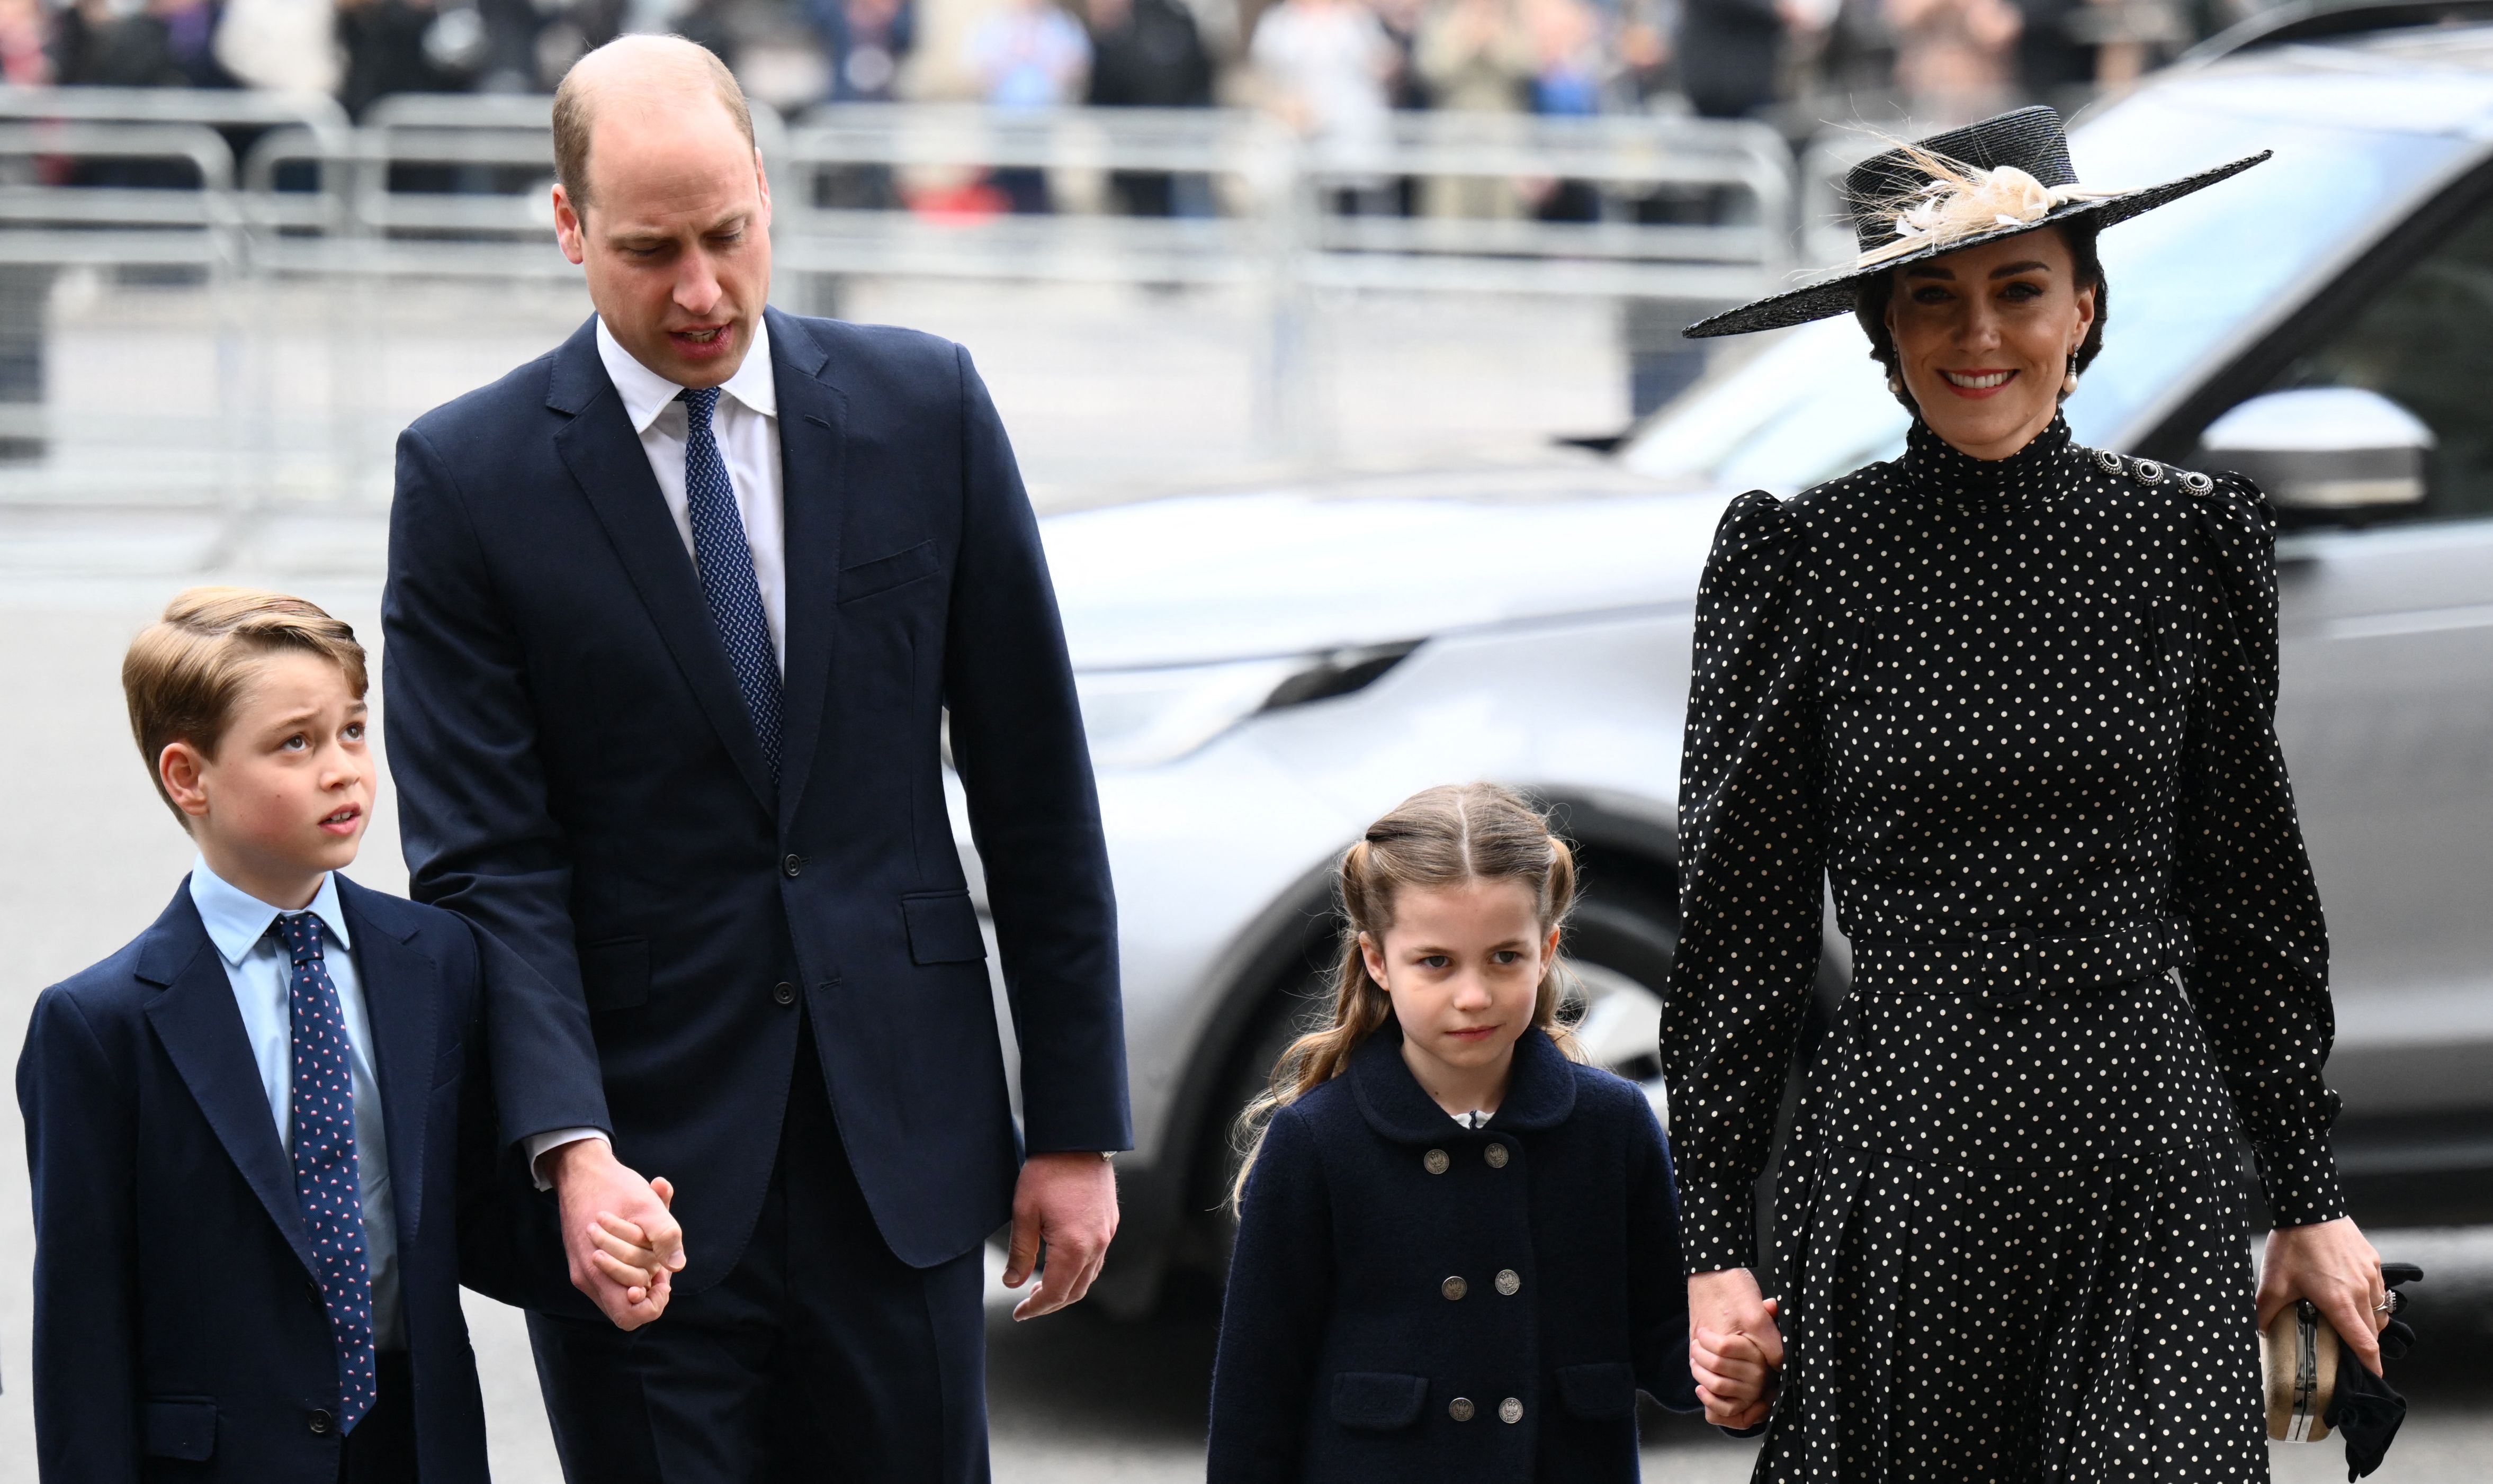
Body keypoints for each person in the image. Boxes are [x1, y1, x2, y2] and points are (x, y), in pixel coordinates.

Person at [382, 34, 1129, 1482]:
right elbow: (486, 861)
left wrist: (1075, 1126)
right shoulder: (469, 479)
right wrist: (568, 1146)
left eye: (728, 235)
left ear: (767, 195)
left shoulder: (927, 409)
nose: (702, 291)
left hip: (903, 1150)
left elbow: (1036, 785)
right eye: (650, 251)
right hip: (636, 1185)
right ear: (568, 225)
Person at [1668, 106, 2394, 1473]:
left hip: (2144, 1160)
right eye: (1930, 299)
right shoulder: (1801, 561)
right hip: (1908, 1163)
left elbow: (2248, 892)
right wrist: (1714, 1253)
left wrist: (2306, 1194)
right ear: (1882, 331)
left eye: (2017, 290)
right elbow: (1738, 933)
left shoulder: (2188, 539)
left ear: (2083, 310)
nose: (1978, 335)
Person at [17, 588, 622, 1482]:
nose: (343, 770)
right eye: (295, 744)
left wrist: (602, 1245)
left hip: (416, 1447)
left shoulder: (437, 958)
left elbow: (467, 1215)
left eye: (352, 731)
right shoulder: (99, 1025)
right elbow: (82, 1330)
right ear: (188, 777)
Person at [1206, 784, 1770, 1483]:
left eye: (1505, 957)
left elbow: (1662, 1329)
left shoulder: (1614, 1124)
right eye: (1436, 962)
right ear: (1378, 961)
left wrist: (1728, 1376)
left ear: (1547, 949)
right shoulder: (1316, 1140)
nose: (1474, 996)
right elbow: (1257, 1389)